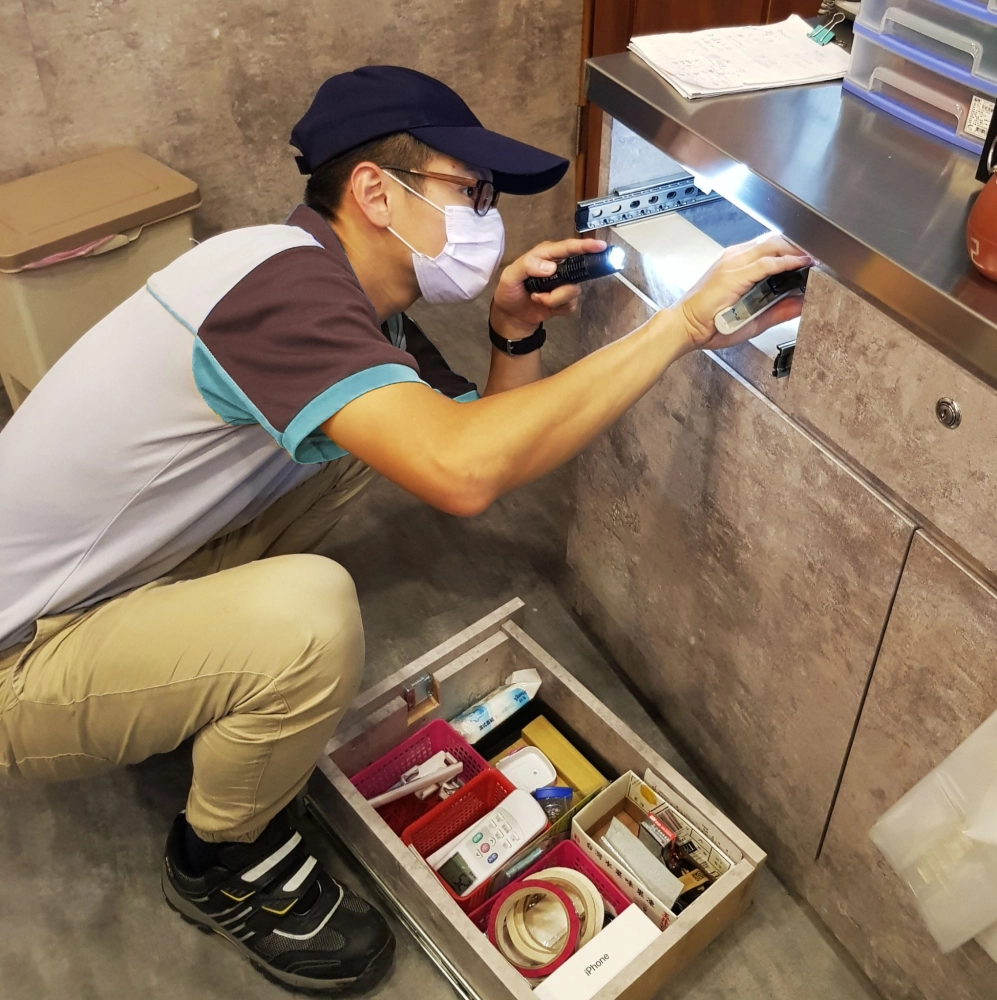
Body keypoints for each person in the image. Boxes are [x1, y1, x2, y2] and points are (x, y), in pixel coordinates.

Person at [0, 65, 809, 993]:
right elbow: (463, 472)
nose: (485, 219)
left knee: (372, 444)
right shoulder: (280, 293)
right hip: (18, 653)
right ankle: (217, 860)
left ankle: (191, 674)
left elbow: (477, 451)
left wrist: (511, 331)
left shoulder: (343, 300)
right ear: (375, 193)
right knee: (307, 621)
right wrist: (682, 324)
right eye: (470, 192)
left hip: (108, 576)